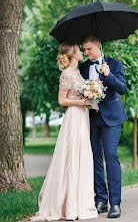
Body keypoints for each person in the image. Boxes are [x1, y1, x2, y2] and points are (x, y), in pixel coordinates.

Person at [29, 42, 98, 221]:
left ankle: (78, 203)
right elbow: (62, 100)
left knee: (81, 156)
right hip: (74, 117)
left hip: (83, 117)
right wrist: (82, 102)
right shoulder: (67, 74)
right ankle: (67, 206)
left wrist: (91, 93)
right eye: (79, 49)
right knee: (71, 156)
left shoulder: (77, 73)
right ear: (74, 54)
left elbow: (79, 94)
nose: (83, 52)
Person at [79, 33, 128, 218]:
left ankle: (115, 203)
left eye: (89, 49)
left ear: (98, 46)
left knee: (111, 155)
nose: (86, 53)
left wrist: (108, 75)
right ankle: (101, 200)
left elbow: (122, 88)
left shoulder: (115, 64)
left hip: (112, 118)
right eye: (83, 50)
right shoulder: (83, 67)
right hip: (92, 117)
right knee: (95, 158)